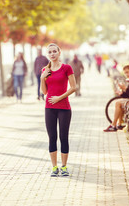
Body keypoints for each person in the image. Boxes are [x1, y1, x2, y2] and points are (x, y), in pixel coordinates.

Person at [40, 43, 76, 177]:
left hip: (64, 108)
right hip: (49, 108)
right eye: (50, 52)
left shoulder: (67, 68)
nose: (52, 54)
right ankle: (54, 167)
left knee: (63, 137)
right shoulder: (45, 70)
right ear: (47, 54)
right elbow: (44, 91)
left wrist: (59, 98)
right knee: (52, 137)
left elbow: (73, 87)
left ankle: (64, 166)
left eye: (54, 51)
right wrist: (42, 77)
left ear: (59, 53)